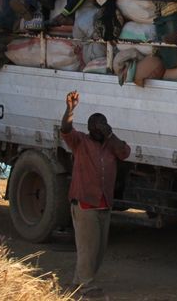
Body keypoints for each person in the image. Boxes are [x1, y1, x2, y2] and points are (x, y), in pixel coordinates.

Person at [60, 90, 131, 297]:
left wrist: (110, 134)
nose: (99, 129)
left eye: (103, 126)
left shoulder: (111, 146)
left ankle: (77, 282)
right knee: (88, 248)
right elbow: (66, 129)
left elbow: (125, 152)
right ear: (89, 128)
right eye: (96, 126)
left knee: (97, 250)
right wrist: (70, 110)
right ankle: (87, 285)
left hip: (104, 204)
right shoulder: (80, 142)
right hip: (85, 203)